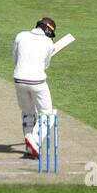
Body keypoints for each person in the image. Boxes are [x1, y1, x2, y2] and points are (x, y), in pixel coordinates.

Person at [12, 17, 57, 158]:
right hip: (37, 81)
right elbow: (46, 65)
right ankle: (34, 140)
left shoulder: (21, 35)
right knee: (48, 114)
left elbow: (15, 59)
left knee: (28, 112)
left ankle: (30, 148)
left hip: (18, 79)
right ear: (48, 30)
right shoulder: (49, 43)